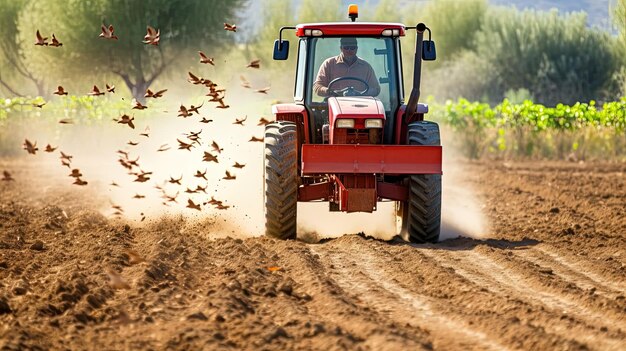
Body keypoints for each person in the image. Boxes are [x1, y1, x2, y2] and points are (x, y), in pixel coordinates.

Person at [313, 37, 381, 98]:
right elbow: (317, 87)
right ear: (341, 48)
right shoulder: (328, 64)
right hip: (334, 104)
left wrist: (360, 94)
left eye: (352, 48)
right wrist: (330, 92)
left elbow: (376, 89)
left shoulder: (366, 67)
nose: (349, 50)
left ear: (357, 49)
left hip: (360, 104)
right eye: (346, 47)